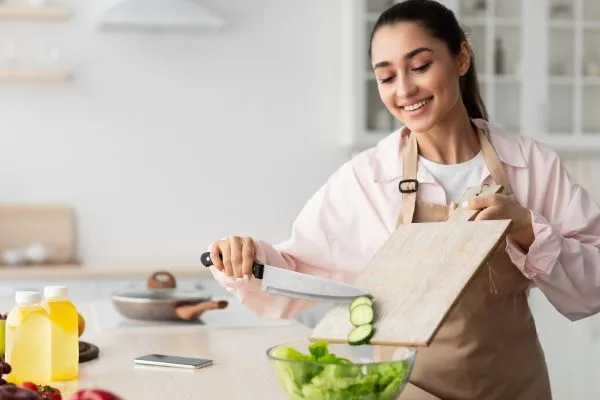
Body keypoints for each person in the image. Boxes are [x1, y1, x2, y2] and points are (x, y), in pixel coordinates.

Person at [205, 0, 600, 399]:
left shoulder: (530, 165)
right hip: (406, 393)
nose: (405, 89)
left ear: (461, 58)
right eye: (387, 76)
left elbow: (594, 284)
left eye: (420, 66)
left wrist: (528, 229)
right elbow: (295, 271)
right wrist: (245, 257)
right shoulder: (368, 178)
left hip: (516, 390)